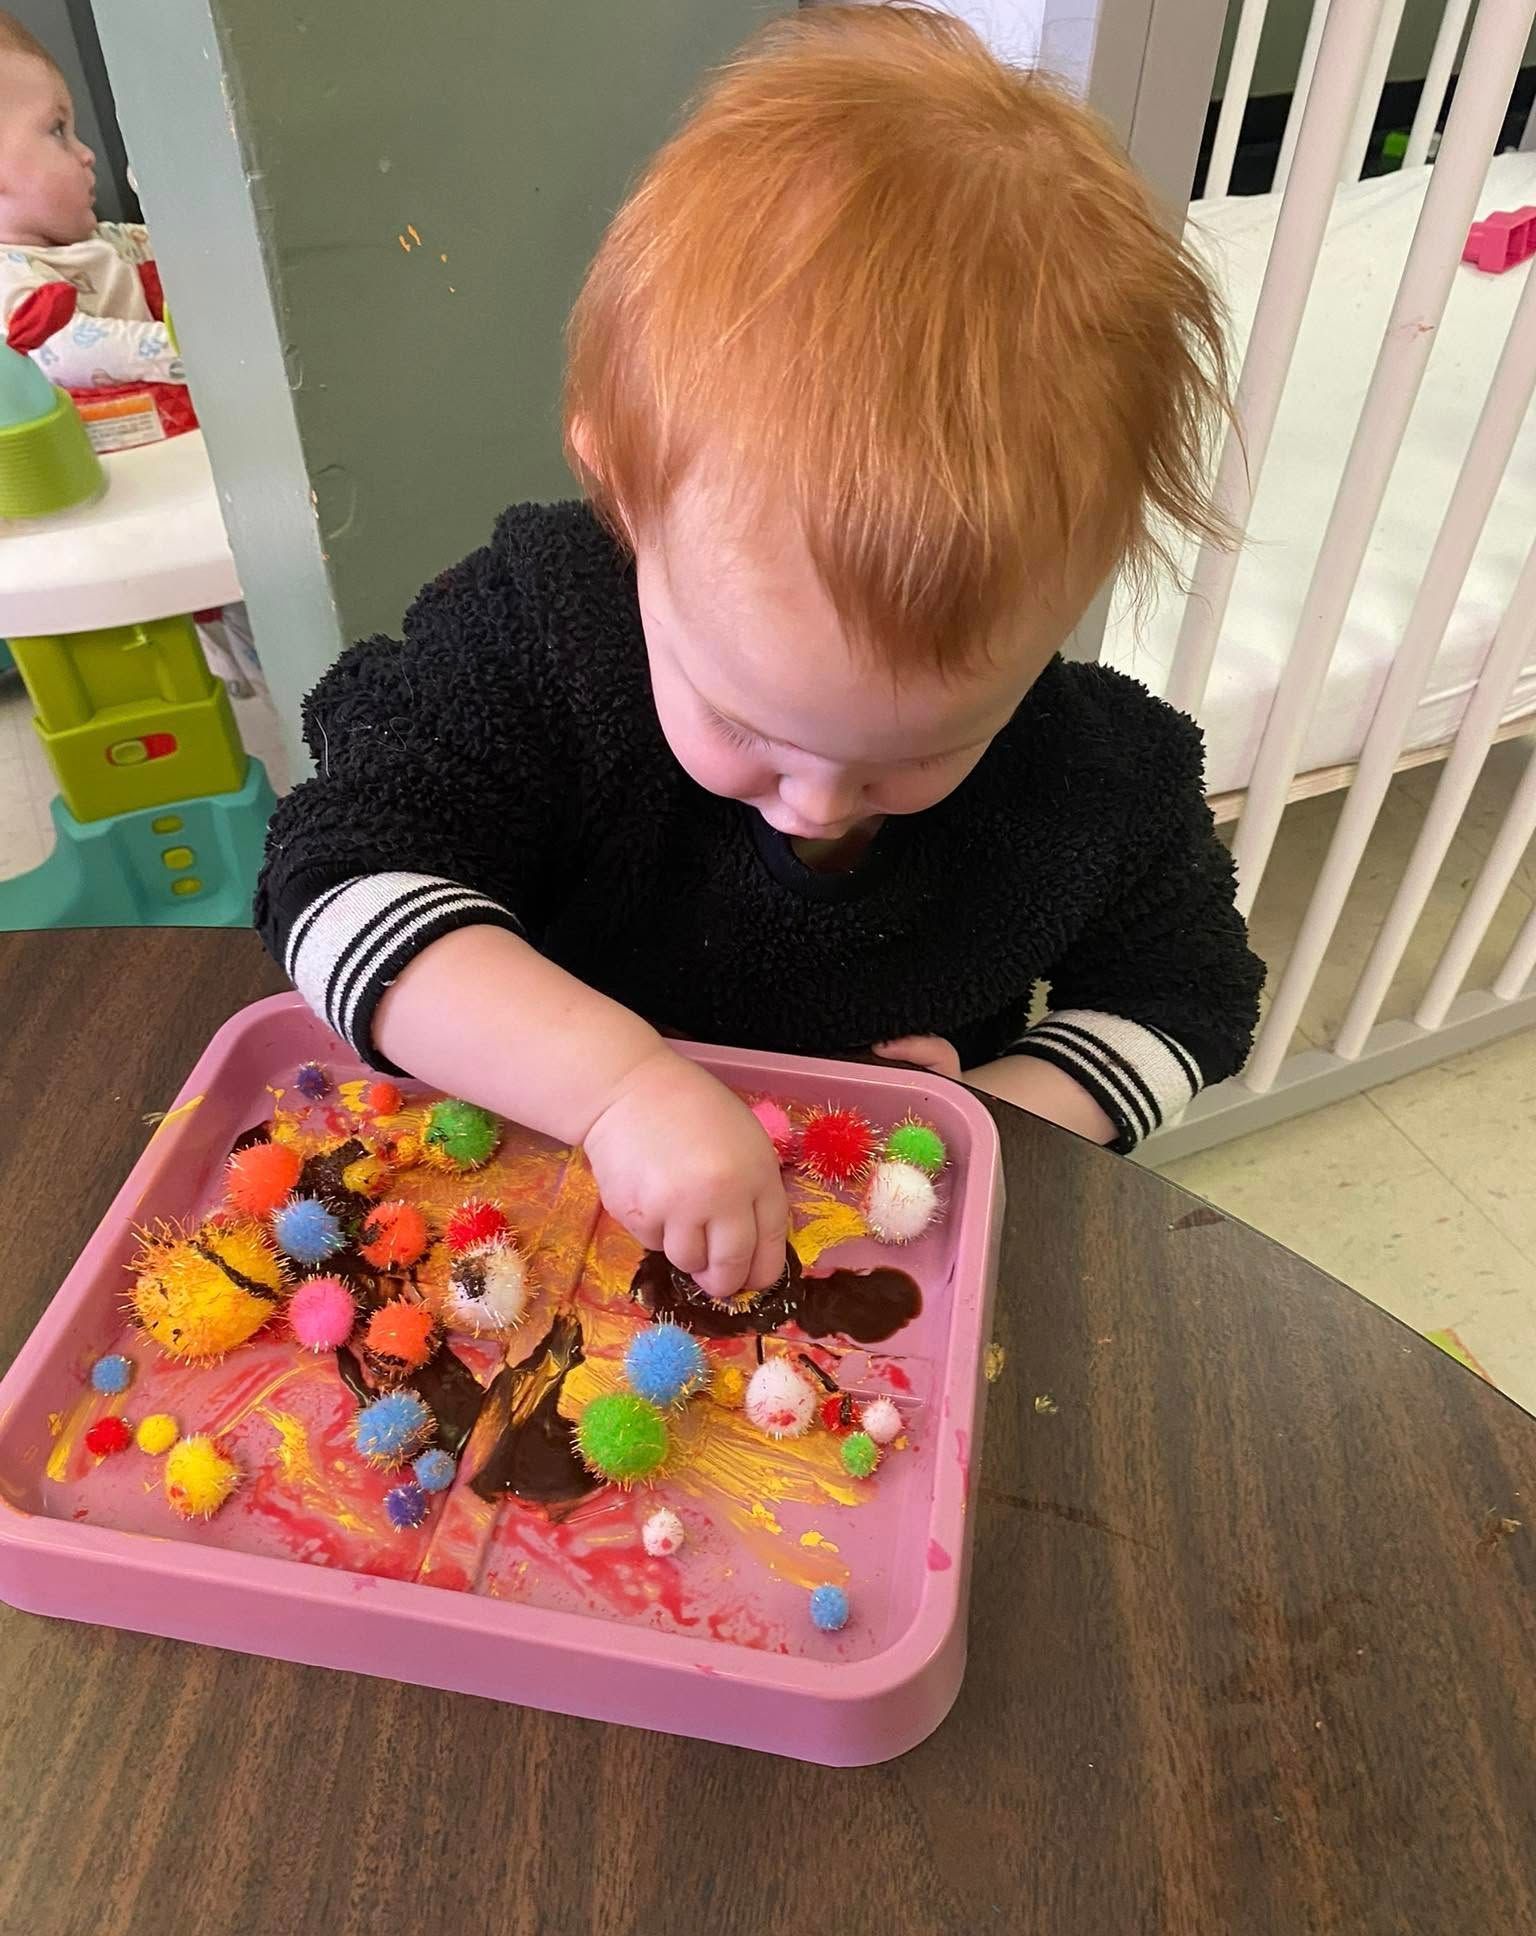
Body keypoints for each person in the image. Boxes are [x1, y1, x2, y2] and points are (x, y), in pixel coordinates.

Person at [256, 5, 1263, 1305]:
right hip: (527, 1220)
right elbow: (338, 893)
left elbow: (1187, 1003)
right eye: (747, 725)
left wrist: (986, 1128)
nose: (821, 803)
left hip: (859, 1281)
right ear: (623, 492)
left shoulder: (1099, 782)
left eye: (921, 750)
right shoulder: (537, 637)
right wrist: (620, 1088)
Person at [0, 14, 182, 392]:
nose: (87, 154)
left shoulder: (108, 241)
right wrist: (202, 355)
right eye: (57, 130)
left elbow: (189, 250)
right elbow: (63, 349)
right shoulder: (9, 275)